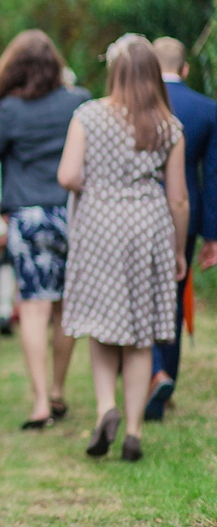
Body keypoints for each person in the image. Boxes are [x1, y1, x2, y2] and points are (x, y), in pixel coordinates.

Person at [58, 34, 188, 461]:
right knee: (140, 333)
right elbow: (178, 199)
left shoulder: (89, 115)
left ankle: (105, 408)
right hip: (147, 225)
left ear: (114, 71)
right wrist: (178, 250)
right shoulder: (169, 126)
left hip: (101, 225)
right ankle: (133, 430)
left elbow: (68, 176)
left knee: (102, 323)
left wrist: (98, 186)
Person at [0, 30, 87, 429]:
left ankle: (40, 403)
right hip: (74, 216)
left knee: (35, 309)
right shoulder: (79, 102)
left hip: (29, 218)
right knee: (65, 310)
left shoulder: (8, 111)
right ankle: (57, 390)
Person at [144, 37, 217, 419]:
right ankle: (165, 381)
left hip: (136, 212)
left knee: (142, 295)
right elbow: (213, 176)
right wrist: (213, 236)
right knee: (172, 296)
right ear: (185, 68)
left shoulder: (135, 104)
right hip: (181, 217)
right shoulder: (207, 109)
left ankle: (153, 372)